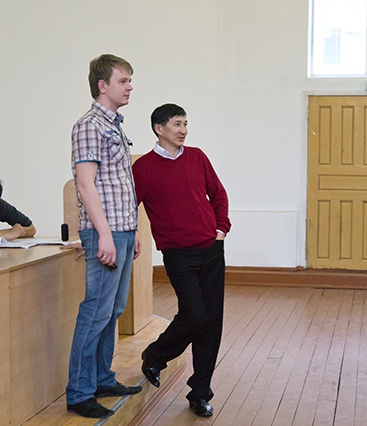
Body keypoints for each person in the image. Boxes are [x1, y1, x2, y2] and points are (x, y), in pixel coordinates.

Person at [132, 104, 231, 417]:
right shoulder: (143, 167)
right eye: (177, 124)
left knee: (211, 324)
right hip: (177, 254)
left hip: (211, 249)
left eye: (185, 124)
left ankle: (200, 393)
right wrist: (131, 235)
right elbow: (129, 205)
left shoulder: (197, 157)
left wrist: (221, 229)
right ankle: (155, 354)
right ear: (159, 128)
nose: (183, 130)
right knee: (195, 316)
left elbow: (218, 194)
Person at [65, 53, 142, 419]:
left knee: (113, 310)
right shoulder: (89, 126)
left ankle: (100, 377)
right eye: (123, 81)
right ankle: (79, 393)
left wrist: (132, 230)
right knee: (95, 312)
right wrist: (105, 235)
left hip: (122, 230)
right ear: (102, 85)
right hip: (105, 234)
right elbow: (86, 184)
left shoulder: (115, 125)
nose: (130, 87)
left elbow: (120, 184)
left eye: (129, 81)